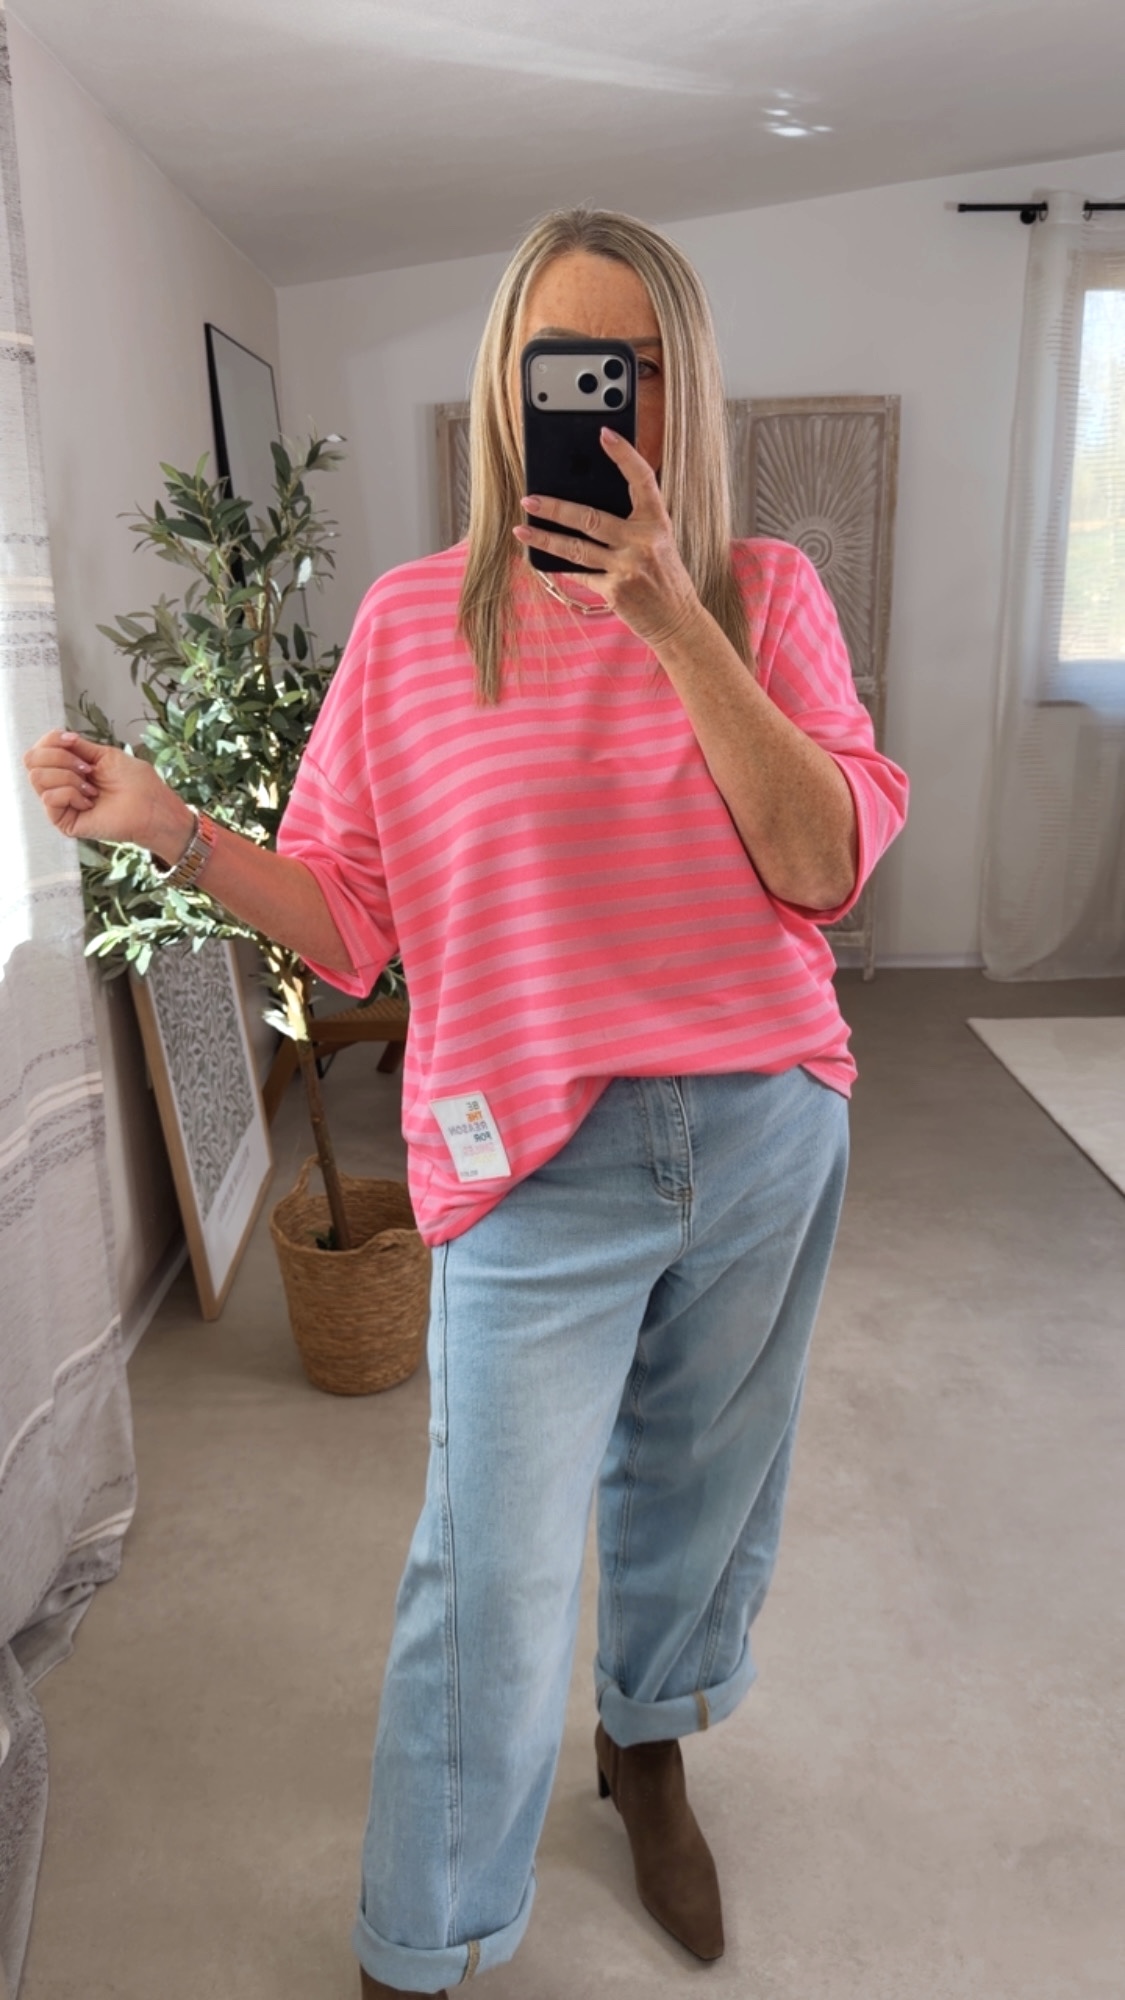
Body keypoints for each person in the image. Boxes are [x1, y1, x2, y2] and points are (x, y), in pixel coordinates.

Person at [26, 207, 908, 1997]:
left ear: (680, 386)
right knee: (485, 1571)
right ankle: (421, 1942)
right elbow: (350, 919)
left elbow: (822, 869)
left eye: (629, 369)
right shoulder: (414, 625)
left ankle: (645, 1748)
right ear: (508, 386)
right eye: (559, 365)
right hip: (531, 1162)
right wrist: (172, 828)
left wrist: (675, 623)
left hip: (760, 1127)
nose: (597, 402)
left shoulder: (763, 596)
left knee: (703, 1486)